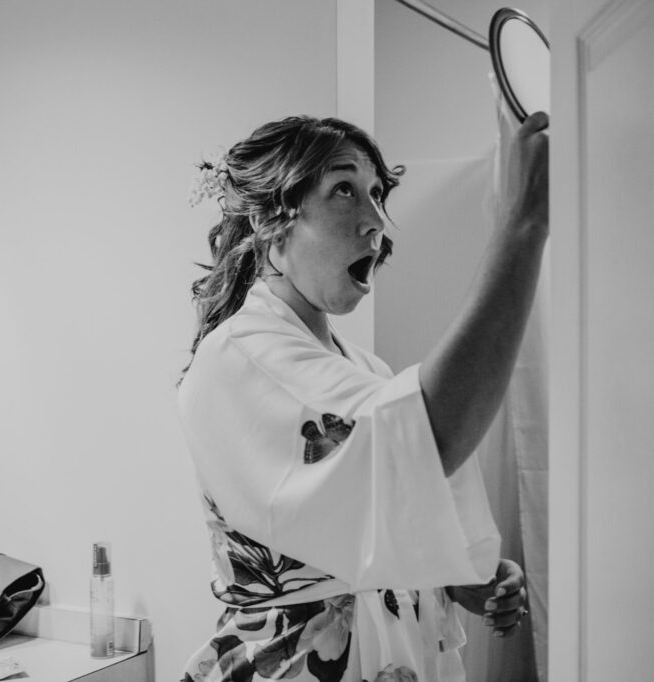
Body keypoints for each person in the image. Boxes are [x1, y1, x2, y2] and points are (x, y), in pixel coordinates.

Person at [178, 112, 548, 682]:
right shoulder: (240, 357)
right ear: (270, 220)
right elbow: (427, 438)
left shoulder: (363, 369)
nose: (377, 221)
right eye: (344, 189)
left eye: (377, 194)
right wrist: (520, 226)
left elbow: (375, 514)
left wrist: (452, 580)